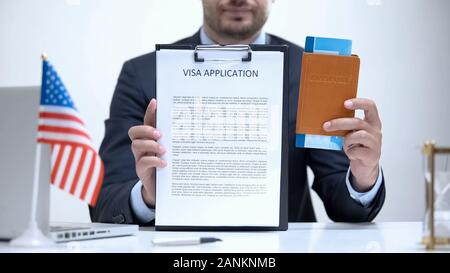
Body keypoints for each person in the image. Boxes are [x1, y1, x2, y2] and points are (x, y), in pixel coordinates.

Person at [90, 0, 385, 225]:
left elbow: (344, 205)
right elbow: (104, 201)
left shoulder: (310, 70)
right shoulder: (142, 75)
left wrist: (362, 177)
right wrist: (148, 196)